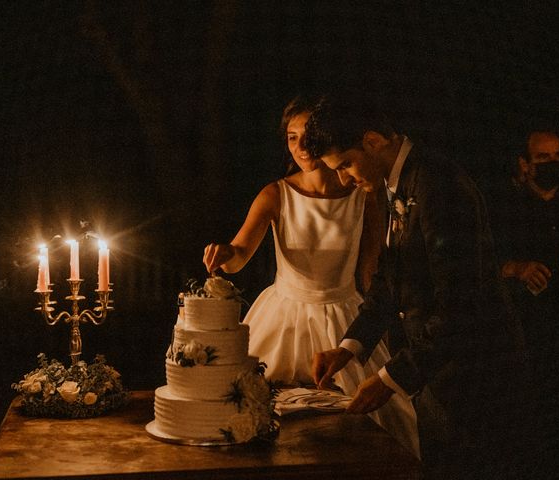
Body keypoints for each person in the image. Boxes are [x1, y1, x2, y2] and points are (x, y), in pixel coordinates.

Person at [306, 93, 528, 479]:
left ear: (373, 141)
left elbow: (460, 305)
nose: (344, 179)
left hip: (476, 382)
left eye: (346, 165)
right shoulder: (396, 185)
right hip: (439, 376)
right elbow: (390, 280)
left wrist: (390, 379)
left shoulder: (439, 185)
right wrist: (348, 347)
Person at [203, 95, 419, 457]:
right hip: (282, 316)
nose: (301, 146)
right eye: (291, 137)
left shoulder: (362, 193)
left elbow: (371, 269)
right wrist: (225, 254)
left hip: (342, 314)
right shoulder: (275, 194)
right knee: (251, 412)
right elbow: (238, 256)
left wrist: (382, 322)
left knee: (368, 427)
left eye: (308, 135)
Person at [487, 127, 559, 477]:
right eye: (543, 157)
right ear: (524, 164)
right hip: (524, 337)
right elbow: (477, 267)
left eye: (558, 155)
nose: (552, 163)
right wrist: (516, 268)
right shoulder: (501, 210)